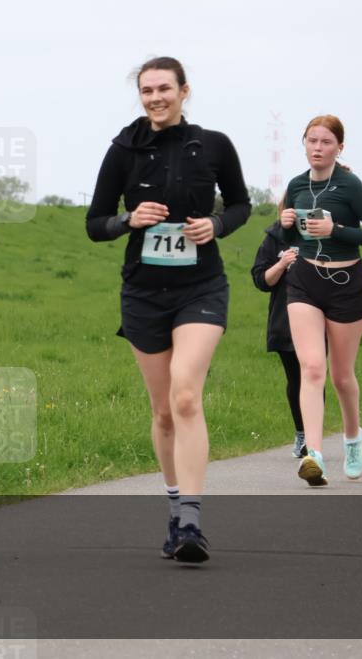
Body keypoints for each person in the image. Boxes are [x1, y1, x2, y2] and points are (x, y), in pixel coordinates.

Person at [86, 57, 250, 563]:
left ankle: (193, 523)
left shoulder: (214, 146)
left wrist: (216, 226)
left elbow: (242, 204)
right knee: (162, 411)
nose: (155, 97)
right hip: (142, 292)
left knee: (185, 396)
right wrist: (128, 220)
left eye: (164, 88)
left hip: (200, 287)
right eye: (146, 90)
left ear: (184, 91)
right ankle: (175, 509)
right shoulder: (124, 149)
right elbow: (95, 222)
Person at [279, 115, 362, 486]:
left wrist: (336, 230)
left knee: (341, 377)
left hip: (346, 284)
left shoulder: (351, 185)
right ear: (304, 143)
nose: (317, 148)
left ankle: (353, 440)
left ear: (339, 147)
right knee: (311, 368)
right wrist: (286, 221)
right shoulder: (295, 184)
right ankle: (314, 456)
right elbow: (286, 230)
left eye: (326, 142)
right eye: (311, 141)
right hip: (305, 281)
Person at [251, 224, 309, 457]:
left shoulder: (321, 231)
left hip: (317, 317)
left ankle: (312, 439)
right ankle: (302, 433)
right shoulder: (274, 238)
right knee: (295, 378)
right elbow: (261, 280)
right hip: (284, 319)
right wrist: (282, 263)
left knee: (313, 374)